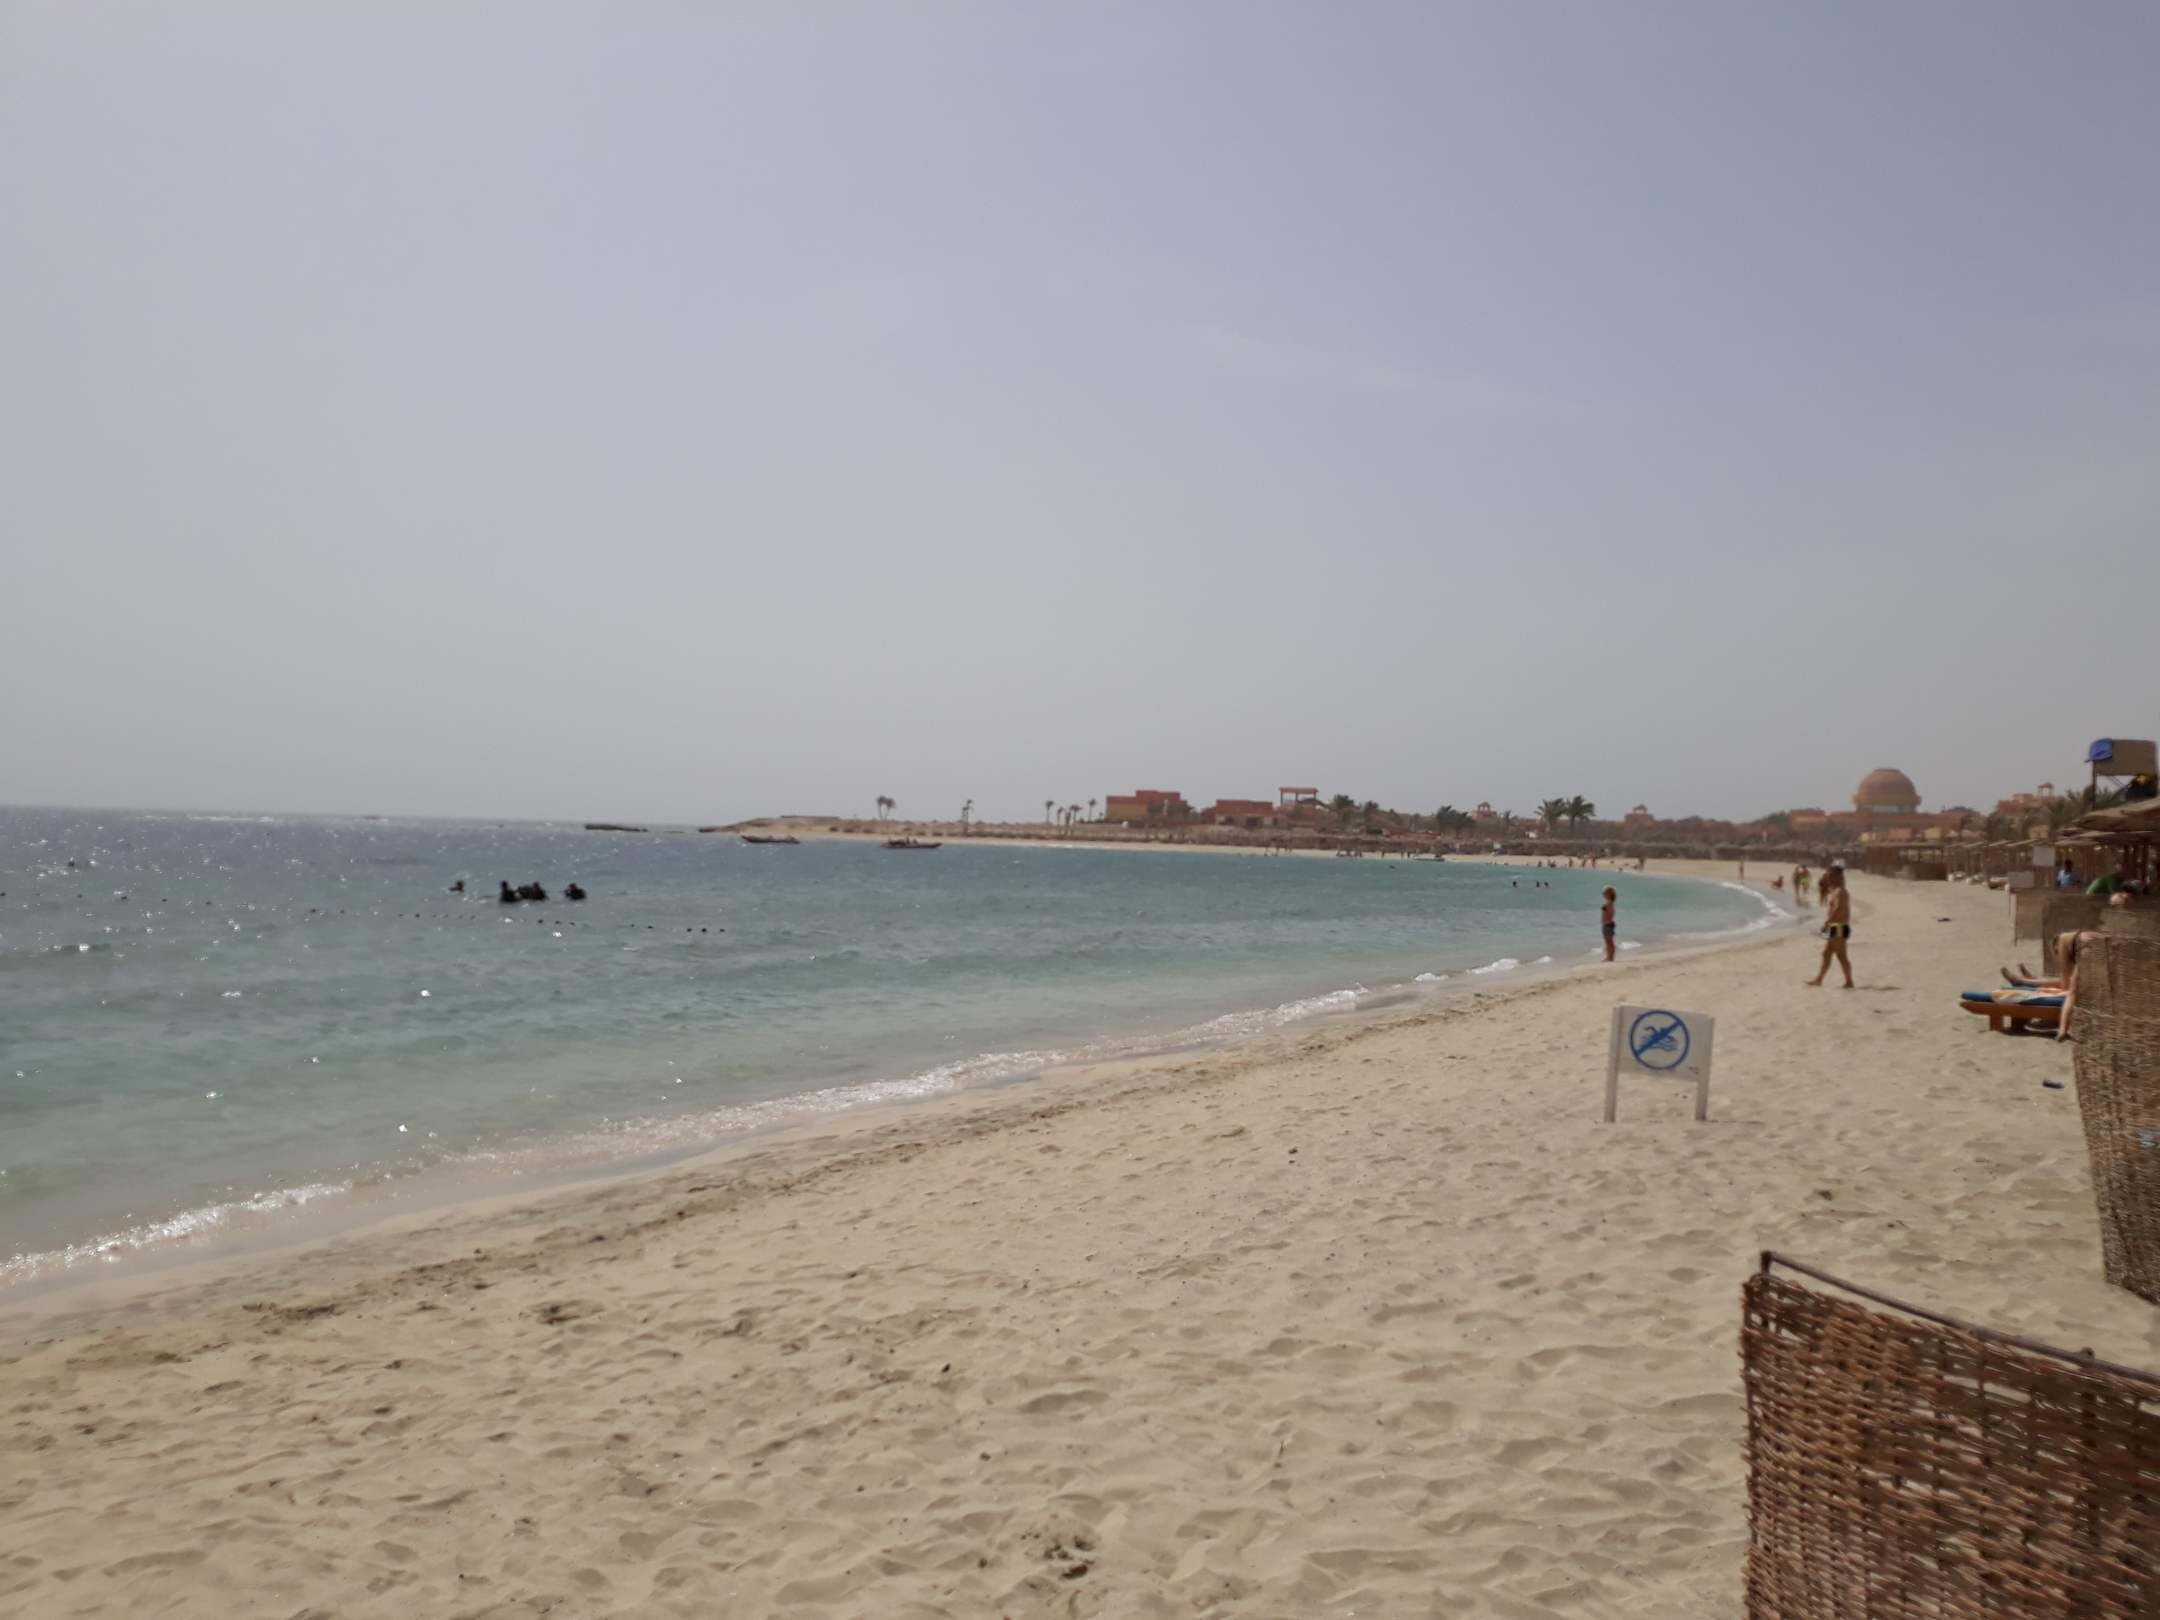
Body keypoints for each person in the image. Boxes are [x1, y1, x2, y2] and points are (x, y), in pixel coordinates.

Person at [1807, 865, 1853, 988]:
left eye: (1832, 875)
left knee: (1841, 956)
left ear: (1838, 877)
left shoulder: (1840, 892)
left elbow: (1838, 909)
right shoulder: (1836, 890)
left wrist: (1827, 923)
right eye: (1829, 875)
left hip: (1839, 927)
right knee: (1826, 954)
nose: (1829, 877)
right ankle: (1819, 979)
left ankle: (1849, 982)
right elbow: (1823, 887)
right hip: (1836, 927)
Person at [1601, 886, 1617, 962]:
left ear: (1608, 894)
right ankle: (1609, 956)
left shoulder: (1609, 903)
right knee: (1608, 942)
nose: (1603, 894)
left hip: (1608, 924)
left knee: (1609, 942)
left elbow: (1611, 912)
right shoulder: (1609, 902)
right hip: (1606, 924)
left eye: (1604, 893)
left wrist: (1608, 920)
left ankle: (1610, 957)